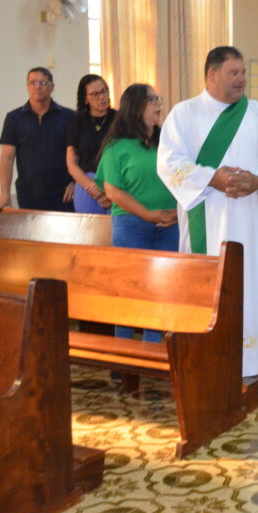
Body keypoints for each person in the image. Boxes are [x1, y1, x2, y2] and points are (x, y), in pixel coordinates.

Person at [157, 46, 258, 397]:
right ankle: (208, 367)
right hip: (205, 220)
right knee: (208, 290)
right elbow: (169, 162)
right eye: (234, 73)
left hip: (248, 224)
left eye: (243, 72)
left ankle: (250, 370)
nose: (241, 79)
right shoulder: (184, 115)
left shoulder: (257, 115)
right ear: (211, 75)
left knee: (250, 288)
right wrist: (212, 178)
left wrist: (257, 180)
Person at [95, 83, 178, 342]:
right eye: (152, 99)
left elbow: (182, 177)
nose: (159, 104)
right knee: (130, 293)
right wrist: (149, 215)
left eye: (158, 98)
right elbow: (113, 191)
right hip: (132, 224)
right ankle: (124, 357)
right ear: (136, 107)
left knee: (161, 290)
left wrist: (177, 211)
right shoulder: (116, 147)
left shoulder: (166, 143)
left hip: (170, 224)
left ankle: (152, 351)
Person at [0, 67, 74, 215]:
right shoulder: (14, 118)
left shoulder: (69, 117)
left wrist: (76, 183)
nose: (37, 86)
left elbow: (80, 154)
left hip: (64, 195)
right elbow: (7, 158)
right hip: (28, 195)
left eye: (42, 82)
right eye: (33, 82)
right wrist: (4, 195)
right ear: (27, 86)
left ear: (52, 87)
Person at [67, 74, 116, 213]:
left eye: (104, 91)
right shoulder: (77, 122)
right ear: (85, 99)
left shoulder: (119, 120)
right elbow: (71, 164)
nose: (102, 97)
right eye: (95, 94)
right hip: (86, 185)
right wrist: (94, 189)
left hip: (115, 183)